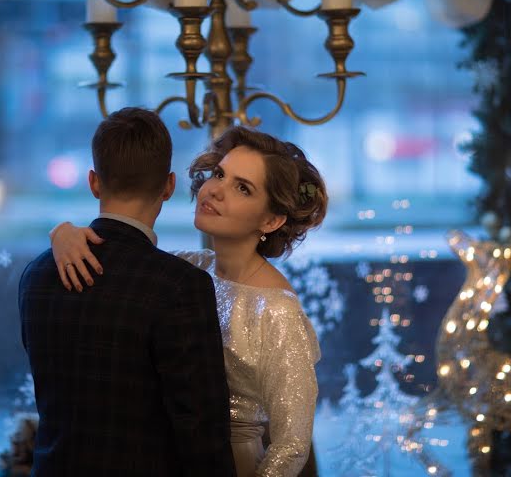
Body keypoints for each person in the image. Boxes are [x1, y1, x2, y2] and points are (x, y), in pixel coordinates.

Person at [51, 125, 326, 477]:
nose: (215, 190)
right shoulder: (188, 267)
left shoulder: (277, 310)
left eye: (242, 188)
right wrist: (63, 234)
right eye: (219, 174)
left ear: (271, 220)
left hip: (233, 463)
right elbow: (124, 261)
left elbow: (292, 446)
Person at [18, 108, 236, 476]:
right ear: (168, 186)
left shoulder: (38, 275)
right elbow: (202, 433)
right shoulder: (180, 285)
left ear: (94, 182)